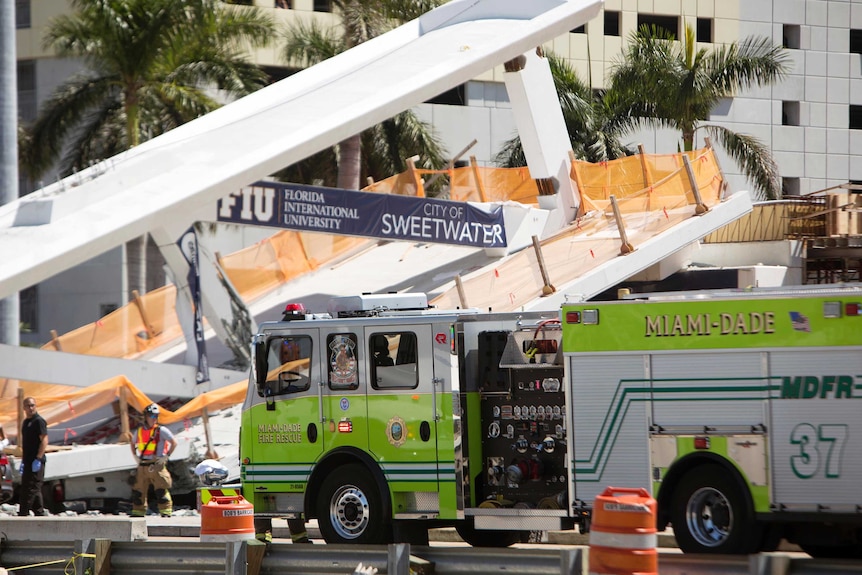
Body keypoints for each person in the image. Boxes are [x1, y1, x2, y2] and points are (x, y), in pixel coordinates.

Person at [130, 403, 177, 517]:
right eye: (152, 416)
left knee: (161, 489)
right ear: (146, 417)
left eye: (156, 416)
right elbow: (132, 443)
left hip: (156, 464)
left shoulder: (162, 430)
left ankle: (165, 511)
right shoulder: (140, 431)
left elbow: (174, 443)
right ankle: (138, 511)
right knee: (139, 490)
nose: (154, 419)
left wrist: (166, 456)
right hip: (143, 464)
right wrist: (135, 456)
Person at [18, 396, 48, 517]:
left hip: (36, 461)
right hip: (28, 460)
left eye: (32, 405)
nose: (31, 408)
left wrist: (38, 458)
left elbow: (44, 440)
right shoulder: (26, 422)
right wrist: (24, 460)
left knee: (32, 488)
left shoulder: (38, 421)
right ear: (24, 408)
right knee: (26, 485)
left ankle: (23, 512)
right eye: (28, 406)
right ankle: (39, 512)